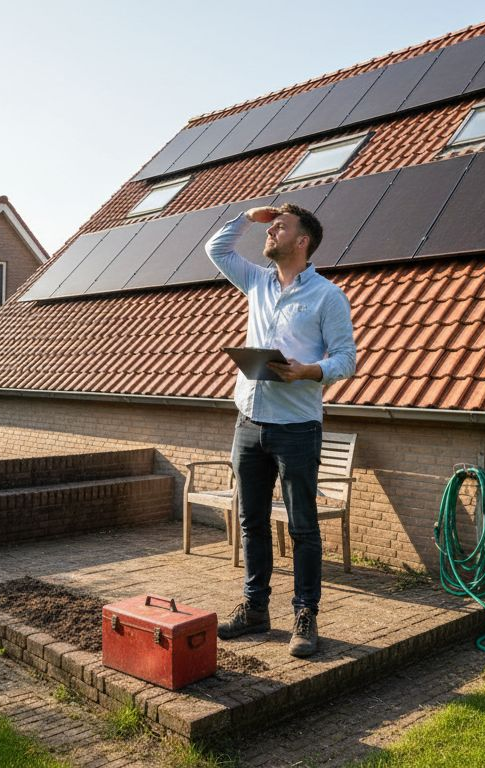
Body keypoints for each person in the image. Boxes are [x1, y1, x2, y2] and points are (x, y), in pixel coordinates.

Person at [205, 203, 357, 657]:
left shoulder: (328, 296)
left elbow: (346, 359)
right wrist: (248, 217)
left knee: (303, 527)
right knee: (251, 522)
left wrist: (309, 370)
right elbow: (216, 248)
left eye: (280, 227)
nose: (271, 231)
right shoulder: (256, 282)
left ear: (302, 241)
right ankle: (255, 610)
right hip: (248, 424)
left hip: (296, 429)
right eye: (271, 227)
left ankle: (305, 616)